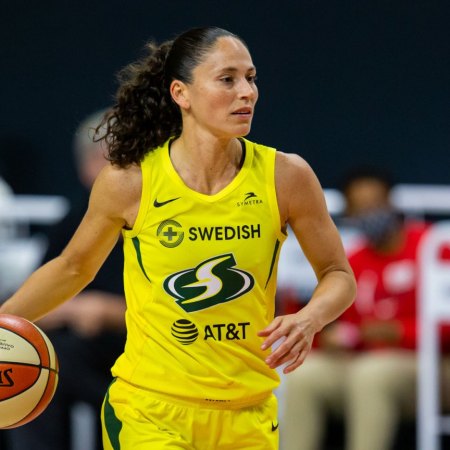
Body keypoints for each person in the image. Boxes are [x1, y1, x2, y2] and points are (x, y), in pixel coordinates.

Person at [0, 27, 356, 450]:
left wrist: (311, 318)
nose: (247, 92)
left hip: (248, 413)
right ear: (181, 93)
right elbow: (72, 268)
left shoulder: (287, 176)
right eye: (227, 79)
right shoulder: (130, 180)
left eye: (251, 78)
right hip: (150, 411)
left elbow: (338, 274)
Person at [280, 167, 450, 450]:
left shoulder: (434, 247)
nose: (369, 213)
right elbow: (340, 326)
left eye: (375, 203)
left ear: (391, 203)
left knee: (372, 374)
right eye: (360, 207)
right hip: (364, 362)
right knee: (303, 375)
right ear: (350, 214)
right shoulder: (352, 261)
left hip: (433, 365)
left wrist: (400, 332)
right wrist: (329, 337)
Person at [5, 109, 127, 450]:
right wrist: (74, 310)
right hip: (80, 353)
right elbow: (48, 286)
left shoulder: (161, 220)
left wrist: (107, 311)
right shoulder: (74, 221)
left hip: (146, 352)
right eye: (114, 157)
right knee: (33, 363)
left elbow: (180, 309)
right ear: (88, 166)